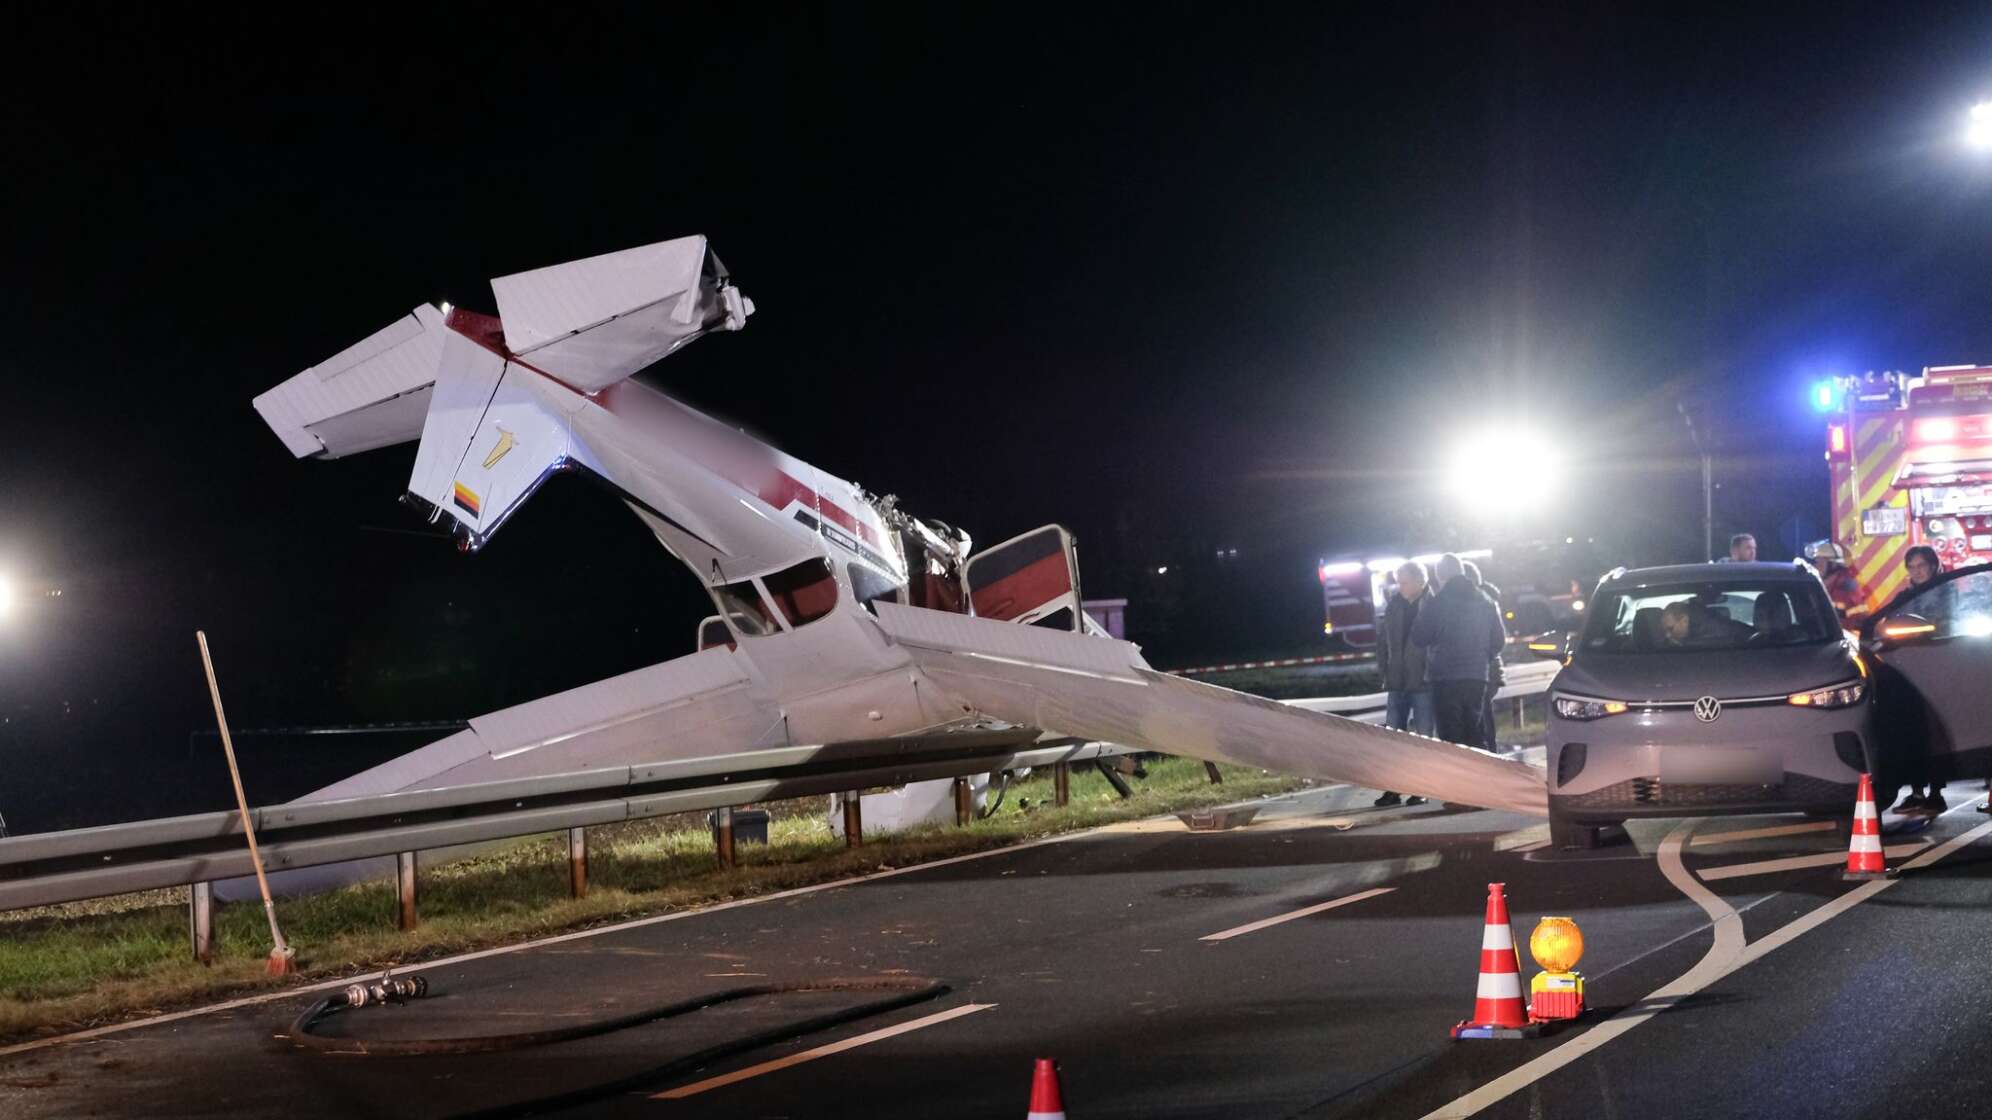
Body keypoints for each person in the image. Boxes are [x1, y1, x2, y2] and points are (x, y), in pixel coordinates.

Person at [1410, 553, 1507, 751]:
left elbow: (1419, 637)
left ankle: (1459, 780)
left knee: (1451, 739)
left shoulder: (1437, 604)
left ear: (1440, 576)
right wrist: (1481, 658)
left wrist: (1421, 611)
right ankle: (1481, 778)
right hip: (1477, 677)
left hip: (1445, 679)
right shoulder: (1486, 602)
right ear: (1462, 572)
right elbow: (1499, 641)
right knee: (1475, 732)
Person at [1889, 545, 1948, 813]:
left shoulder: (1947, 592)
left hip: (1941, 669)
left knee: (1936, 732)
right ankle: (1916, 791)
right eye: (1912, 567)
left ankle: (1935, 792)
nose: (1917, 571)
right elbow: (1890, 623)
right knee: (1913, 730)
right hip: (1911, 671)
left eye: (1921, 565)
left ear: (1934, 565)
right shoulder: (1904, 597)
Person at [1373, 561, 1435, 807]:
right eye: (1398, 582)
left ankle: (1422, 787)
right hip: (1397, 680)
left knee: (1423, 739)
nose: (1400, 587)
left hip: (1423, 682)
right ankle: (1393, 789)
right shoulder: (1394, 606)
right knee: (1393, 739)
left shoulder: (1433, 606)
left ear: (1420, 581)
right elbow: (1382, 641)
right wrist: (1384, 670)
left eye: (1404, 582)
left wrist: (1432, 671)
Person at [1462, 561, 1506, 752]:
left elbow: (1497, 639)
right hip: (1482, 670)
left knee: (1482, 720)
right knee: (1480, 719)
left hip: (1484, 671)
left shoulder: (1483, 603)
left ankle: (1490, 759)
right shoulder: (1483, 601)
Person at [1806, 540, 1870, 623]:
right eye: (1816, 561)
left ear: (1833, 564)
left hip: (1845, 632)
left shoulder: (1847, 585)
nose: (1816, 565)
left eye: (1821, 561)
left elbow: (1861, 613)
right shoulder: (1818, 584)